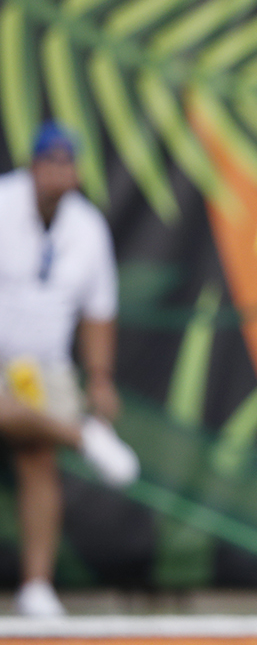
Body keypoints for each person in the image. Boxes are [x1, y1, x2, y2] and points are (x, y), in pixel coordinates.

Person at [0, 124, 139, 617]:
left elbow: (98, 312)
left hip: (44, 366)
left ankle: (36, 586)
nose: (58, 172)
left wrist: (99, 379)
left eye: (67, 163)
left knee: (37, 458)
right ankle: (81, 436)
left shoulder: (87, 226)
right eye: (48, 162)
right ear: (31, 166)